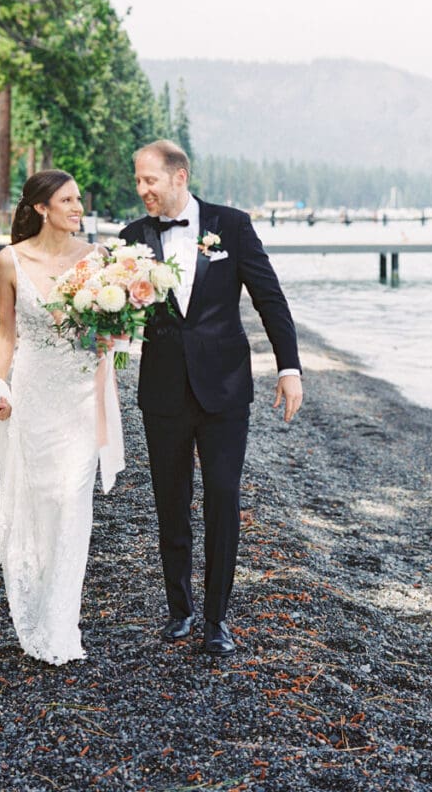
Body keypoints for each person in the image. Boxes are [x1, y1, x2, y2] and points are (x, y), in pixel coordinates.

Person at [120, 140, 302, 656]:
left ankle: (217, 619)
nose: (142, 190)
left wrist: (289, 367)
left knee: (223, 497)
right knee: (170, 504)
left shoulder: (233, 225)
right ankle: (180, 610)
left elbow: (270, 298)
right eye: (137, 181)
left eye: (149, 180)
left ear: (180, 176)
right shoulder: (131, 239)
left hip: (224, 390)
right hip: (162, 392)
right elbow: (116, 320)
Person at [0, 170, 124, 665]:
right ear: (41, 207)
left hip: (81, 392)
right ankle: (32, 602)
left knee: (71, 499)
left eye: (80, 199)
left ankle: (61, 624)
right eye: (68, 199)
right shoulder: (9, 260)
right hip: (33, 393)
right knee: (37, 502)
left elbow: (112, 333)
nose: (78, 207)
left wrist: (110, 334)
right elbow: (6, 334)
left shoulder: (97, 259)